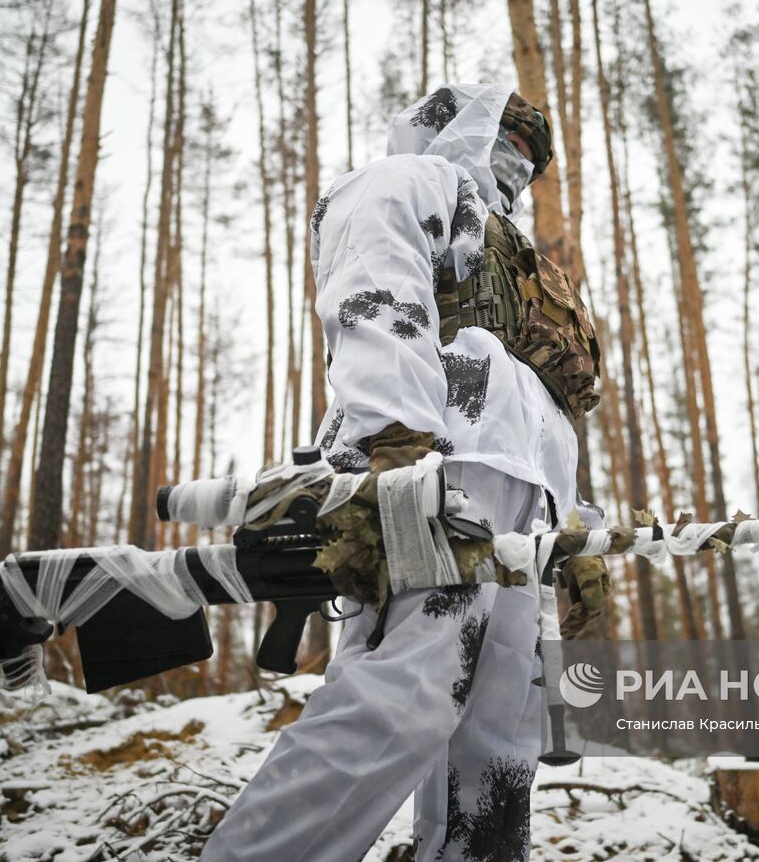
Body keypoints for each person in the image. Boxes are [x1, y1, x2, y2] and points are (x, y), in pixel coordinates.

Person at [201, 83, 607, 862]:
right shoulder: (416, 182)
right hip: (437, 467)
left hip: (527, 499)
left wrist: (570, 518)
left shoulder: (517, 259)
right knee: (406, 693)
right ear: (457, 132)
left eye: (528, 163)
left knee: (500, 733)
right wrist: (398, 446)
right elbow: (374, 292)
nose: (515, 172)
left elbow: (540, 400)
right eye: (504, 148)